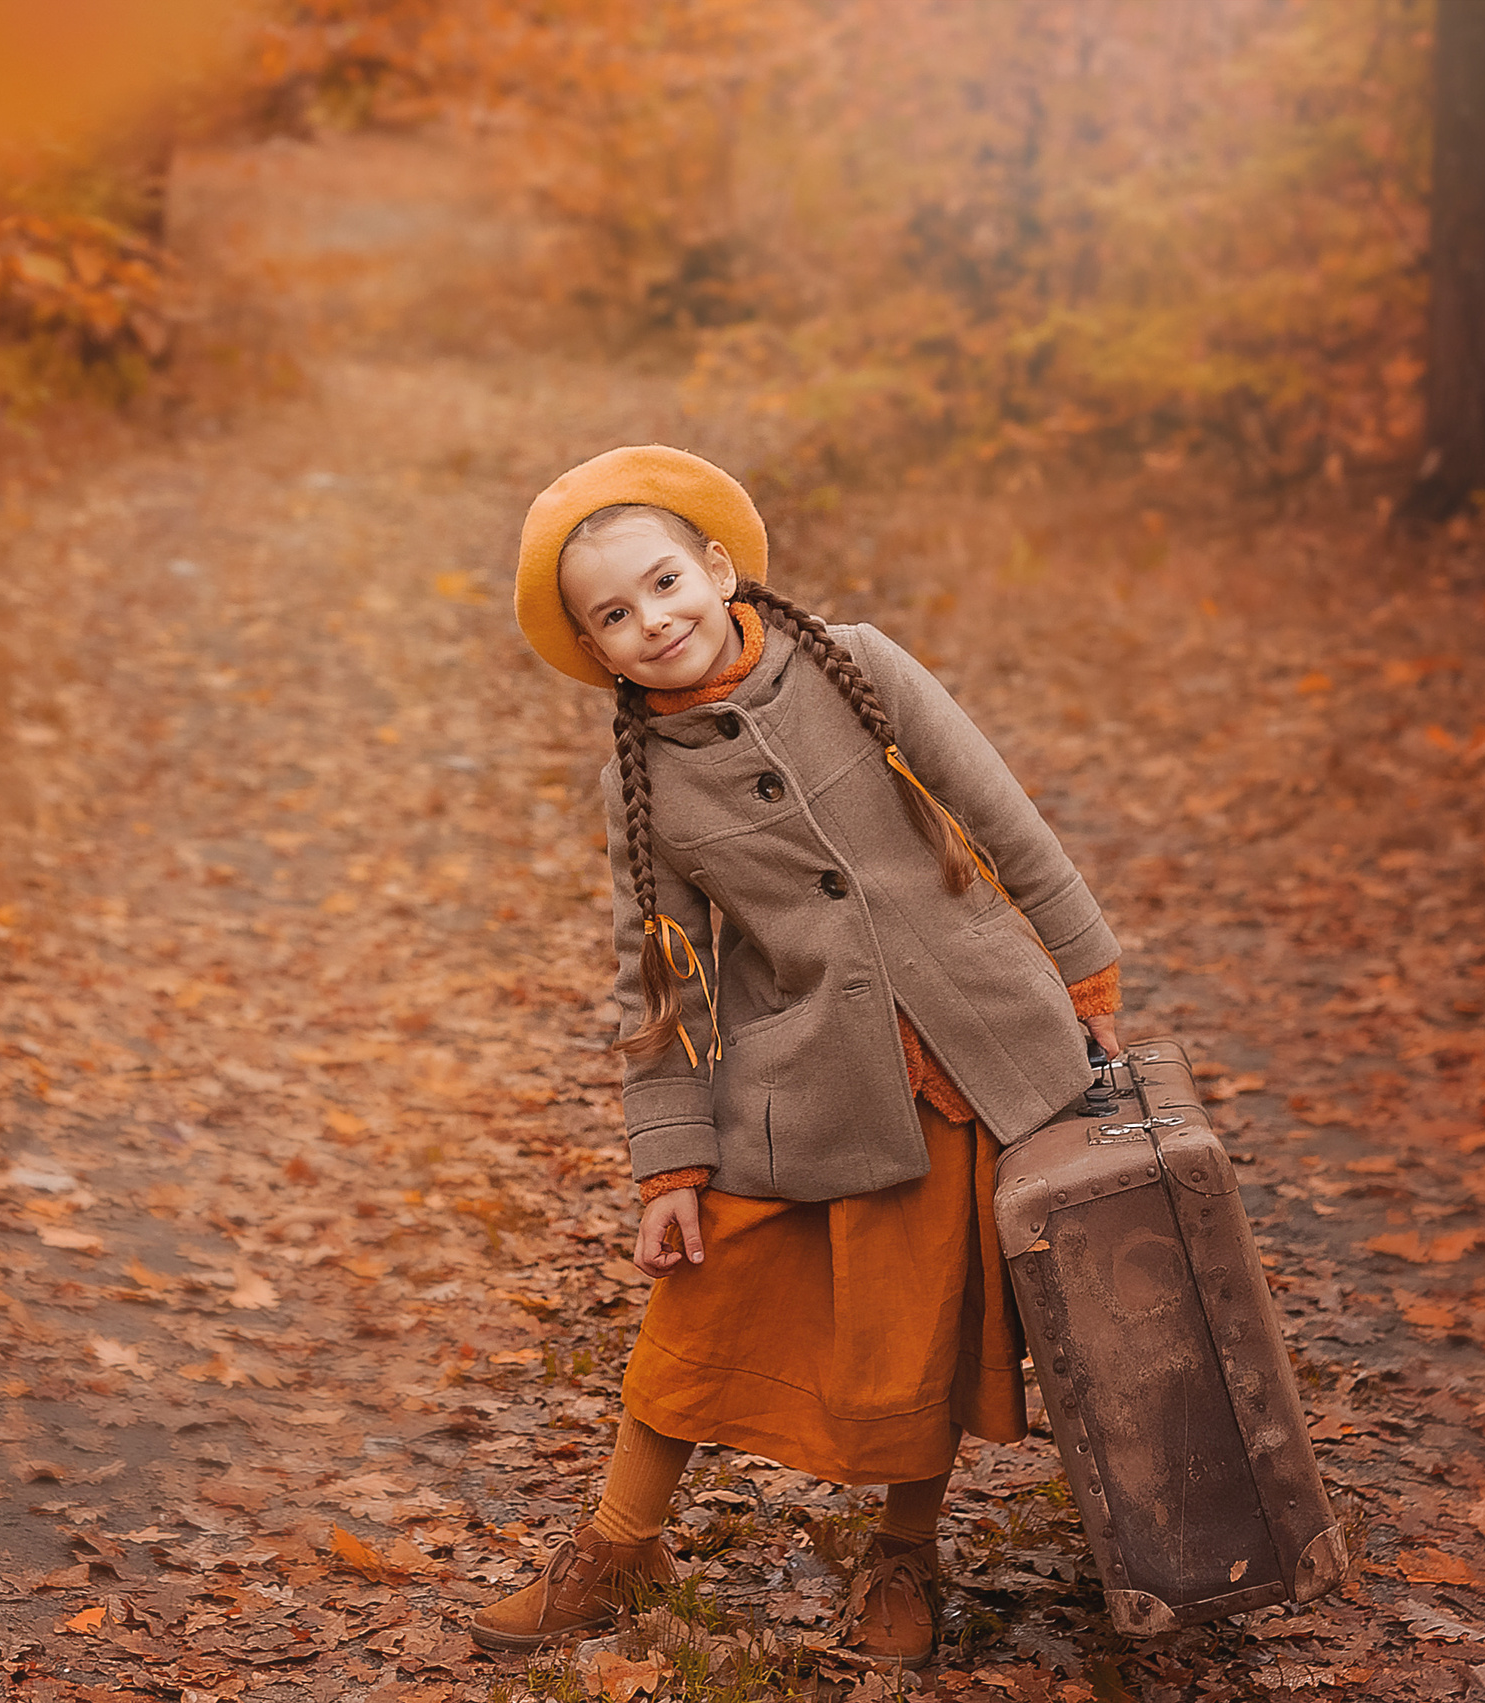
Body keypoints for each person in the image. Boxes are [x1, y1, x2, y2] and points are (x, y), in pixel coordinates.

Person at [471, 446, 1123, 1668]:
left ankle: (903, 1554)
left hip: (972, 1048)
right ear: (596, 649)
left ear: (717, 567)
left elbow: (1001, 813)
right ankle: (618, 1543)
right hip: (804, 1083)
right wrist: (670, 1164)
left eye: (664, 581)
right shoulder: (642, 784)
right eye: (612, 614)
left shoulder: (856, 662)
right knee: (697, 1303)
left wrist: (1084, 970)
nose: (652, 618)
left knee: (923, 1323)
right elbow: (660, 984)